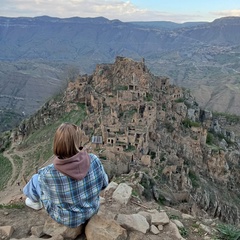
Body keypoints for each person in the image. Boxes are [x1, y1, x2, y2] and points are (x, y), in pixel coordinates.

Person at [23, 122, 108, 228]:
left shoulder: (48, 173)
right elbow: (104, 184)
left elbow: (48, 195)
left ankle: (34, 202)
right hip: (91, 211)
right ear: (78, 142)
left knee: (35, 179)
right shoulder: (94, 160)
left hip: (66, 219)